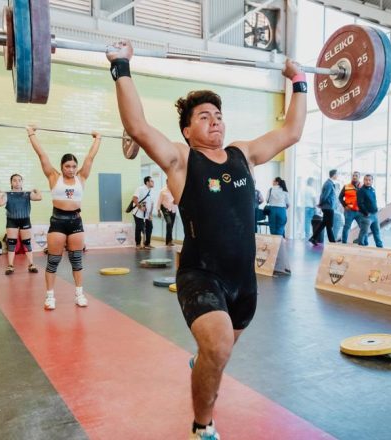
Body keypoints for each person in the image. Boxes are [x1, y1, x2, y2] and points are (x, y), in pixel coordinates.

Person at [107, 40, 305, 439]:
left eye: (218, 115)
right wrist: (122, 66)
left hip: (244, 283)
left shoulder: (242, 155)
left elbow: (291, 132)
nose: (215, 121)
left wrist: (299, 81)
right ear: (187, 129)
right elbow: (138, 128)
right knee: (217, 348)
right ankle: (203, 426)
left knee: (218, 354)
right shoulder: (181, 161)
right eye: (204, 117)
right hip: (201, 275)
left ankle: (201, 366)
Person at [27, 126, 101, 310]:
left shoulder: (81, 177)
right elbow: (42, 155)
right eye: (67, 166)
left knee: (76, 259)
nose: (71, 169)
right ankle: (50, 297)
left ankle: (79, 294)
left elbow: (90, 158)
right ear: (61, 167)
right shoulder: (53, 177)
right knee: (53, 261)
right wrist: (31, 133)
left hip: (75, 221)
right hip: (58, 221)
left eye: (74, 166)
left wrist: (98, 138)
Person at [0, 174, 43, 275]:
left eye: (19, 180)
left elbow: (39, 197)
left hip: (25, 220)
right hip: (11, 220)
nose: (17, 182)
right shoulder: (7, 194)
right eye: (14, 180)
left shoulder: (27, 194)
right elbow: (0, 203)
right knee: (11, 243)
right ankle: (10, 266)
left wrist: (36, 190)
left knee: (27, 243)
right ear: (11, 182)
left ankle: (31, 265)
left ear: (22, 182)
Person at [309, 169, 338, 245]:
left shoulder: (330, 183)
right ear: (334, 175)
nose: (337, 176)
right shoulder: (329, 184)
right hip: (328, 207)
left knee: (325, 224)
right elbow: (325, 195)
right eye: (337, 174)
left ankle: (313, 238)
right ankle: (332, 242)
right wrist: (320, 203)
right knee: (329, 225)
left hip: (328, 206)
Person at [356, 174, 383, 248]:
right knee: (364, 233)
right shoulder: (361, 191)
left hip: (375, 215)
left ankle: (380, 247)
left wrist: (376, 209)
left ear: (372, 181)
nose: (368, 181)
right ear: (364, 180)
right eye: (366, 180)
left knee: (377, 232)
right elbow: (359, 203)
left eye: (369, 180)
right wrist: (366, 213)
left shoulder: (372, 189)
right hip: (366, 216)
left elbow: (374, 201)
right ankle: (360, 247)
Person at [339, 171, 364, 245]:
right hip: (349, 211)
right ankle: (344, 243)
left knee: (363, 228)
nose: (354, 177)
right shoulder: (347, 186)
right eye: (353, 175)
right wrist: (345, 206)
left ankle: (361, 242)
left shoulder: (363, 187)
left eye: (356, 176)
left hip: (359, 212)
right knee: (346, 227)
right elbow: (340, 197)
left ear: (359, 177)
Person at [132, 176, 155, 249]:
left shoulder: (151, 191)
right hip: (138, 213)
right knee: (139, 228)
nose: (153, 182)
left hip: (147, 214)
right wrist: (140, 207)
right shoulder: (140, 189)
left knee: (150, 227)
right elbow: (134, 198)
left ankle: (147, 243)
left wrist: (151, 214)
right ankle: (138, 244)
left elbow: (152, 203)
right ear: (147, 182)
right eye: (151, 181)